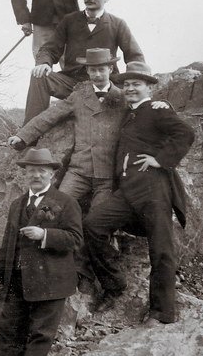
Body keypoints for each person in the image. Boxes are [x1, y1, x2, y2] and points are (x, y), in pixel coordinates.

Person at [83, 62, 195, 323]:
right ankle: (114, 285)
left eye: (137, 84)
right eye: (127, 84)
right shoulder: (129, 112)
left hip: (154, 190)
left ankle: (162, 312)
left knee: (161, 250)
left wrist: (160, 159)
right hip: (127, 192)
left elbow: (185, 132)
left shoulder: (157, 110)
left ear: (149, 87)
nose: (130, 88)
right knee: (93, 225)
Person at [10, 48, 169, 209]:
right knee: (54, 207)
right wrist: (23, 136)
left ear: (111, 69)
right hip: (78, 171)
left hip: (107, 176)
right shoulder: (78, 96)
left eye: (101, 69)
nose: (97, 74)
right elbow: (49, 116)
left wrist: (163, 105)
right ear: (87, 71)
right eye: (93, 70)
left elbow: (144, 106)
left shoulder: (123, 97)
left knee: (98, 219)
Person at [0, 148, 83, 356]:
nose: (36, 175)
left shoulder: (66, 202)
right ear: (25, 174)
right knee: (8, 329)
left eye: (42, 171)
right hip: (18, 278)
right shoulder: (17, 204)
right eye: (31, 170)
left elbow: (76, 239)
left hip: (51, 279)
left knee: (41, 332)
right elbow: (8, 243)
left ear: (52, 174)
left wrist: (44, 235)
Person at [24, 0, 144, 123]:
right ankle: (28, 135)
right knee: (39, 76)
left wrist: (134, 83)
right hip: (71, 84)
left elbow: (135, 56)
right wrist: (44, 63)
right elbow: (49, 48)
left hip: (105, 84)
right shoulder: (69, 20)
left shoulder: (118, 24)